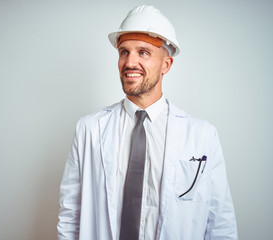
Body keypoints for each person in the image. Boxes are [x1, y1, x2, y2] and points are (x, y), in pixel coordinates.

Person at [57, 5, 238, 240]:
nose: (130, 62)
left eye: (143, 52)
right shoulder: (89, 129)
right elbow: (70, 216)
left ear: (166, 65)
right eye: (124, 52)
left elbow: (220, 224)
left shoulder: (202, 135)